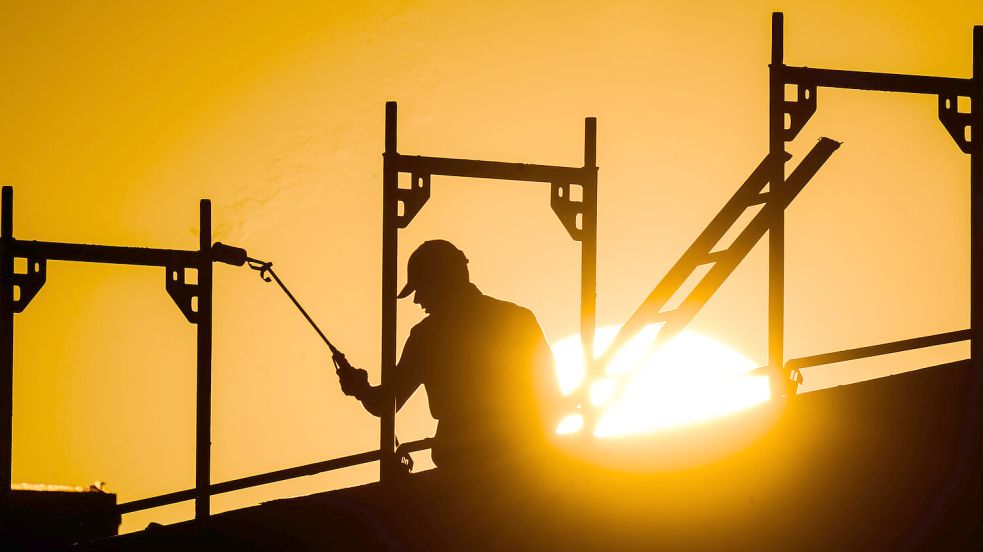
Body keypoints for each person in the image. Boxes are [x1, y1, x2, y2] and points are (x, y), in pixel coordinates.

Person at [336, 240, 558, 476]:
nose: (417, 300)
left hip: (461, 473)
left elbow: (386, 404)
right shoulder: (517, 319)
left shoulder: (426, 337)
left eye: (421, 288)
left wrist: (360, 389)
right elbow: (550, 395)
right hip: (526, 465)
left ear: (441, 283)